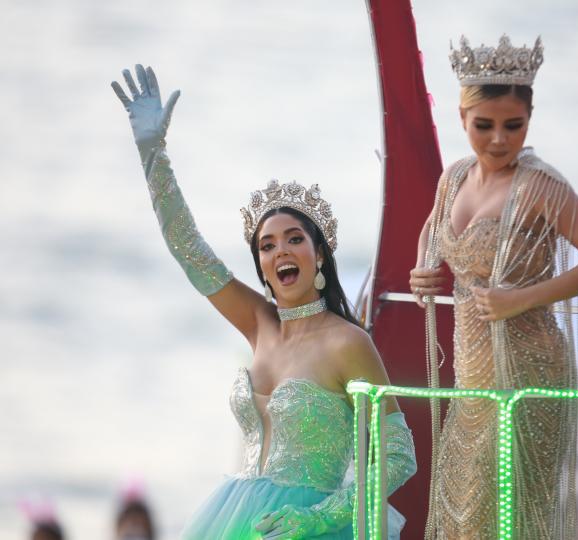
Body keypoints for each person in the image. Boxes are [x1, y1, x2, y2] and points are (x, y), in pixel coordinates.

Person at [111, 65, 416, 539]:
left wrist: (319, 517)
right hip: (237, 522)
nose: (280, 251)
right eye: (267, 245)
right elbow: (189, 251)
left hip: (311, 528)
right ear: (261, 265)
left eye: (294, 239)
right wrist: (153, 153)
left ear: (318, 256)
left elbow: (398, 454)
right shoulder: (258, 322)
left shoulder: (347, 343)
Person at [408, 36, 578, 538]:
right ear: (462, 119)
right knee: (465, 509)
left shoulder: (542, 186)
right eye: (483, 126)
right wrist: (424, 268)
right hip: (473, 374)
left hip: (530, 368)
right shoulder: (455, 177)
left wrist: (519, 298)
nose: (499, 140)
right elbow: (434, 230)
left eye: (514, 126)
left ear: (529, 121)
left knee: (509, 513)